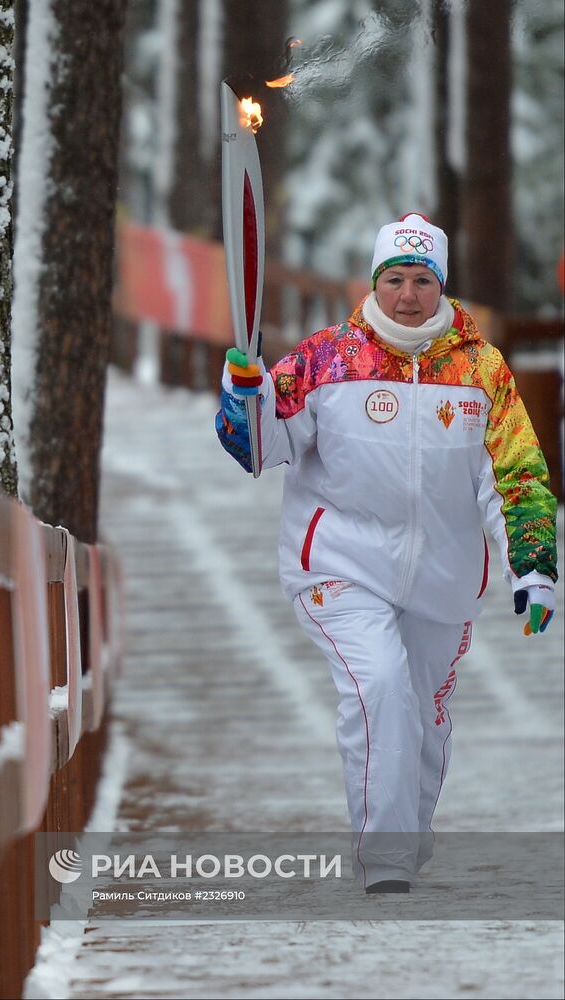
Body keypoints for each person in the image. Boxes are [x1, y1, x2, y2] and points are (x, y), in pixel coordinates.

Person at [215, 213, 558, 894]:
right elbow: (256, 449)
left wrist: (533, 566)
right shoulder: (322, 359)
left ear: (440, 284)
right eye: (395, 279)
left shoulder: (478, 369)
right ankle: (386, 862)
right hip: (338, 565)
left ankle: (406, 838)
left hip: (443, 579)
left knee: (425, 716)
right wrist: (243, 394)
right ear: (375, 281)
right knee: (378, 693)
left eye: (421, 280)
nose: (407, 294)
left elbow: (515, 474)